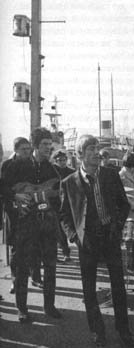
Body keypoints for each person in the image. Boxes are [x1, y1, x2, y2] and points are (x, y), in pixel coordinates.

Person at [60, 135, 134, 348]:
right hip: (87, 241)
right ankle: (97, 331)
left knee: (118, 286)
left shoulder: (111, 176)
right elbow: (64, 214)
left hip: (110, 236)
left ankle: (124, 330)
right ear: (80, 154)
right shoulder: (69, 183)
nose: (95, 152)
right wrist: (74, 237)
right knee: (89, 288)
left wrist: (117, 226)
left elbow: (124, 204)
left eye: (96, 148)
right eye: (90, 148)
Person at [3, 128, 62, 323]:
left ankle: (49, 306)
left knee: (51, 265)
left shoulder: (51, 168)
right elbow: (3, 187)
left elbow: (57, 194)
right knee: (22, 267)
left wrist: (51, 202)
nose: (48, 147)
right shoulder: (16, 165)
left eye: (49, 144)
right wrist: (15, 197)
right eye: (44, 144)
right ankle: (22, 308)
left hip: (47, 224)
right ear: (35, 146)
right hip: (25, 224)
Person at [1, 137, 35, 294]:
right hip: (13, 212)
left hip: (29, 210)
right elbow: (3, 189)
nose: (27, 152)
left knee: (30, 247)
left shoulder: (32, 164)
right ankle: (16, 279)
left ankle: (30, 276)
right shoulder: (7, 166)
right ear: (15, 150)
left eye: (29, 149)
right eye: (24, 150)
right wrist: (15, 196)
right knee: (16, 249)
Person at [52, 149, 75, 263]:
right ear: (55, 161)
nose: (62, 162)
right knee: (56, 231)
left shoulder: (71, 171)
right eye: (60, 160)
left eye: (64, 159)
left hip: (68, 205)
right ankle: (59, 254)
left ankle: (67, 253)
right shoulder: (52, 171)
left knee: (66, 228)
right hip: (55, 204)